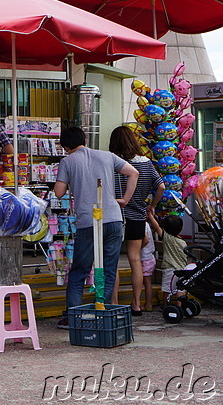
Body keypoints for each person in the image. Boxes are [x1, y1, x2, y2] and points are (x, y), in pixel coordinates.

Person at [53, 126, 139, 329]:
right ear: (84, 139)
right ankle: (104, 312)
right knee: (109, 269)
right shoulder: (107, 156)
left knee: (80, 270)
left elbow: (58, 192)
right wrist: (125, 200)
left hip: (88, 221)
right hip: (113, 219)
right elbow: (132, 173)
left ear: (66, 146)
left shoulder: (68, 161)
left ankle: (72, 315)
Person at [108, 126, 165, 315]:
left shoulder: (113, 163)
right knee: (136, 260)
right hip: (137, 217)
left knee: (113, 261)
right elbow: (161, 186)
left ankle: (114, 303)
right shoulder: (146, 164)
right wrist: (152, 206)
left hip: (114, 216)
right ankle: (136, 304)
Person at [150, 212, 188, 305]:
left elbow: (157, 228)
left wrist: (150, 216)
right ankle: (180, 306)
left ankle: (166, 305)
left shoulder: (167, 238)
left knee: (167, 290)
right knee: (180, 289)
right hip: (182, 269)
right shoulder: (183, 243)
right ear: (181, 228)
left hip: (170, 269)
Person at [140, 221, 157, 312]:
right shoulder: (146, 224)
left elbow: (146, 239)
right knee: (147, 283)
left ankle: (148, 304)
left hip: (145, 257)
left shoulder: (142, 224)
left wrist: (136, 248)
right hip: (150, 257)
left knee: (146, 283)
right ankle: (148, 304)